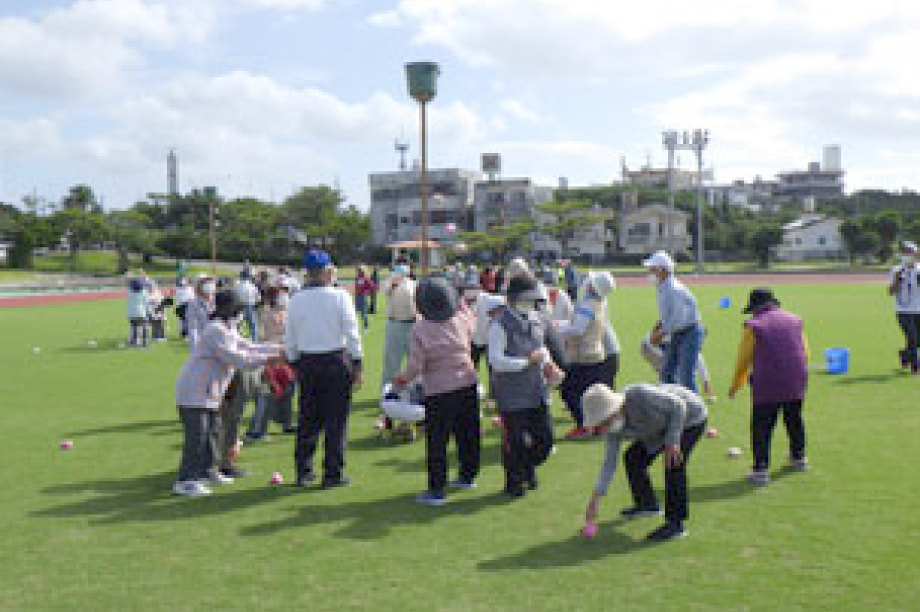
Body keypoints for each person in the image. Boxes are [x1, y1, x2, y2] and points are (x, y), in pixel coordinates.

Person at [172, 290, 284, 497]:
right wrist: (271, 359)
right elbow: (237, 358)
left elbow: (249, 347)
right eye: (237, 309)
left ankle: (207, 471)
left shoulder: (227, 329)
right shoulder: (215, 330)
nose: (240, 313)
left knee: (214, 432)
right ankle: (185, 480)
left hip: (210, 391)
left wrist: (278, 349)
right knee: (198, 436)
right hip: (194, 390)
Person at [392, 277, 481, 506]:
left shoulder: (420, 329)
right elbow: (472, 319)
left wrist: (401, 380)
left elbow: (415, 366)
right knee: (467, 434)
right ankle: (467, 476)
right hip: (467, 383)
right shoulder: (461, 319)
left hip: (440, 390)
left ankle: (437, 490)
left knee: (437, 441)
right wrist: (459, 303)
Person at [582, 381, 708, 542]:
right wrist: (595, 499)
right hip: (657, 428)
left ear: (615, 407)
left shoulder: (639, 395)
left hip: (690, 418)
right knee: (633, 457)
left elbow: (679, 406)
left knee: (673, 462)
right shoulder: (612, 428)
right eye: (601, 423)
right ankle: (647, 504)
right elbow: (609, 463)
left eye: (605, 420)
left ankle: (676, 524)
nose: (605, 426)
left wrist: (672, 441)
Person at [286, 249, 363, 489]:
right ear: (328, 271)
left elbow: (290, 337)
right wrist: (358, 363)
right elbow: (351, 332)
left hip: (307, 362)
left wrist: (294, 361)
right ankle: (332, 473)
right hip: (335, 360)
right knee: (336, 421)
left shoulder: (296, 298)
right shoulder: (340, 296)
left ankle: (304, 471)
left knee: (308, 419)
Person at [488, 274, 565, 498]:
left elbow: (542, 349)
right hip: (511, 393)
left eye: (533, 300)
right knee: (517, 440)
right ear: (511, 299)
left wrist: (549, 365)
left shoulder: (537, 319)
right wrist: (526, 362)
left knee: (546, 440)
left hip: (537, 390)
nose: (530, 304)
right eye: (526, 299)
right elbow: (496, 360)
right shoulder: (499, 325)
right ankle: (514, 481)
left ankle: (525, 468)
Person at [728, 288, 809, 485]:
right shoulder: (795, 320)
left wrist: (736, 383)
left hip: (768, 381)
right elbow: (805, 351)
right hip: (796, 378)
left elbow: (743, 358)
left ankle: (760, 469)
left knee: (762, 426)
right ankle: (799, 458)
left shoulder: (754, 325)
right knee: (794, 419)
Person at [555, 271, 618, 439]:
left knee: (569, 391)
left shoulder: (587, 304)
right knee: (593, 394)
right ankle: (598, 425)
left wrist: (557, 329)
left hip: (583, 356)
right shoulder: (601, 302)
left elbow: (577, 329)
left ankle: (583, 426)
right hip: (596, 353)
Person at [643, 250, 704, 392]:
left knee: (685, 376)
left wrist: (660, 334)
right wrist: (659, 326)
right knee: (667, 373)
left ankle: (696, 411)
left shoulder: (673, 289)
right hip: (678, 332)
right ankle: (673, 401)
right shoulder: (663, 287)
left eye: (652, 269)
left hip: (689, 331)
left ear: (662, 270)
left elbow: (675, 319)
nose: (650, 273)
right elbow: (668, 316)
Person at [245, 285, 296, 441]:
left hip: (286, 356)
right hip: (272, 357)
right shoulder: (268, 313)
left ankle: (286, 422)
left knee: (289, 389)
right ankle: (255, 431)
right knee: (269, 393)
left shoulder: (285, 312)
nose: (285, 298)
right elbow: (268, 336)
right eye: (281, 295)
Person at [640, 330, 715, 401]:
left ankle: (658, 392)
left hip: (652, 347)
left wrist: (706, 385)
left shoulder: (688, 338)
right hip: (650, 348)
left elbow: (699, 361)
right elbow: (653, 341)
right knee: (672, 376)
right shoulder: (679, 335)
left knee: (670, 376)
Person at [380, 263, 417, 399]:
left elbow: (416, 304)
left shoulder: (413, 284)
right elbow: (386, 290)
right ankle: (387, 393)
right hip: (395, 323)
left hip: (412, 325)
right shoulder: (390, 282)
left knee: (413, 361)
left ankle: (414, 392)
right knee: (391, 362)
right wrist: (394, 282)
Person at [888, 241, 920, 373]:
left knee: (916, 340)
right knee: (912, 337)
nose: (908, 255)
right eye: (906, 252)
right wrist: (897, 279)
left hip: (919, 309)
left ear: (916, 253)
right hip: (903, 310)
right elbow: (891, 292)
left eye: (911, 252)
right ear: (901, 254)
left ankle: (905, 354)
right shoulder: (896, 270)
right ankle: (915, 367)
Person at [186, 275, 216, 350]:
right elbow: (193, 328)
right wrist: (195, 348)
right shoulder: (193, 303)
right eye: (205, 283)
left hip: (218, 343)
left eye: (210, 283)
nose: (209, 286)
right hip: (203, 344)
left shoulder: (219, 299)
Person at [234, 270, 261, 341]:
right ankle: (255, 341)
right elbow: (258, 298)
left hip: (239, 306)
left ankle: (236, 340)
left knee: (237, 325)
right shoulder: (252, 286)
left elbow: (234, 295)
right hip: (250, 305)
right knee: (253, 325)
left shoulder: (236, 286)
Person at [126, 277, 150, 348]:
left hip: (131, 313)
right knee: (144, 327)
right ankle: (144, 343)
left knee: (134, 328)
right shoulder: (143, 292)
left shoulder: (130, 292)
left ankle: (134, 342)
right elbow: (146, 303)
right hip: (141, 312)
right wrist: (149, 312)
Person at [354, 266, 376, 330]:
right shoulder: (357, 278)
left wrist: (366, 292)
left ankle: (366, 326)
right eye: (358, 270)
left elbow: (372, 287)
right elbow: (357, 287)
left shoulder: (366, 278)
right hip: (357, 297)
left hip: (363, 297)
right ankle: (356, 326)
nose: (359, 272)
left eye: (360, 270)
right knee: (356, 312)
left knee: (364, 313)